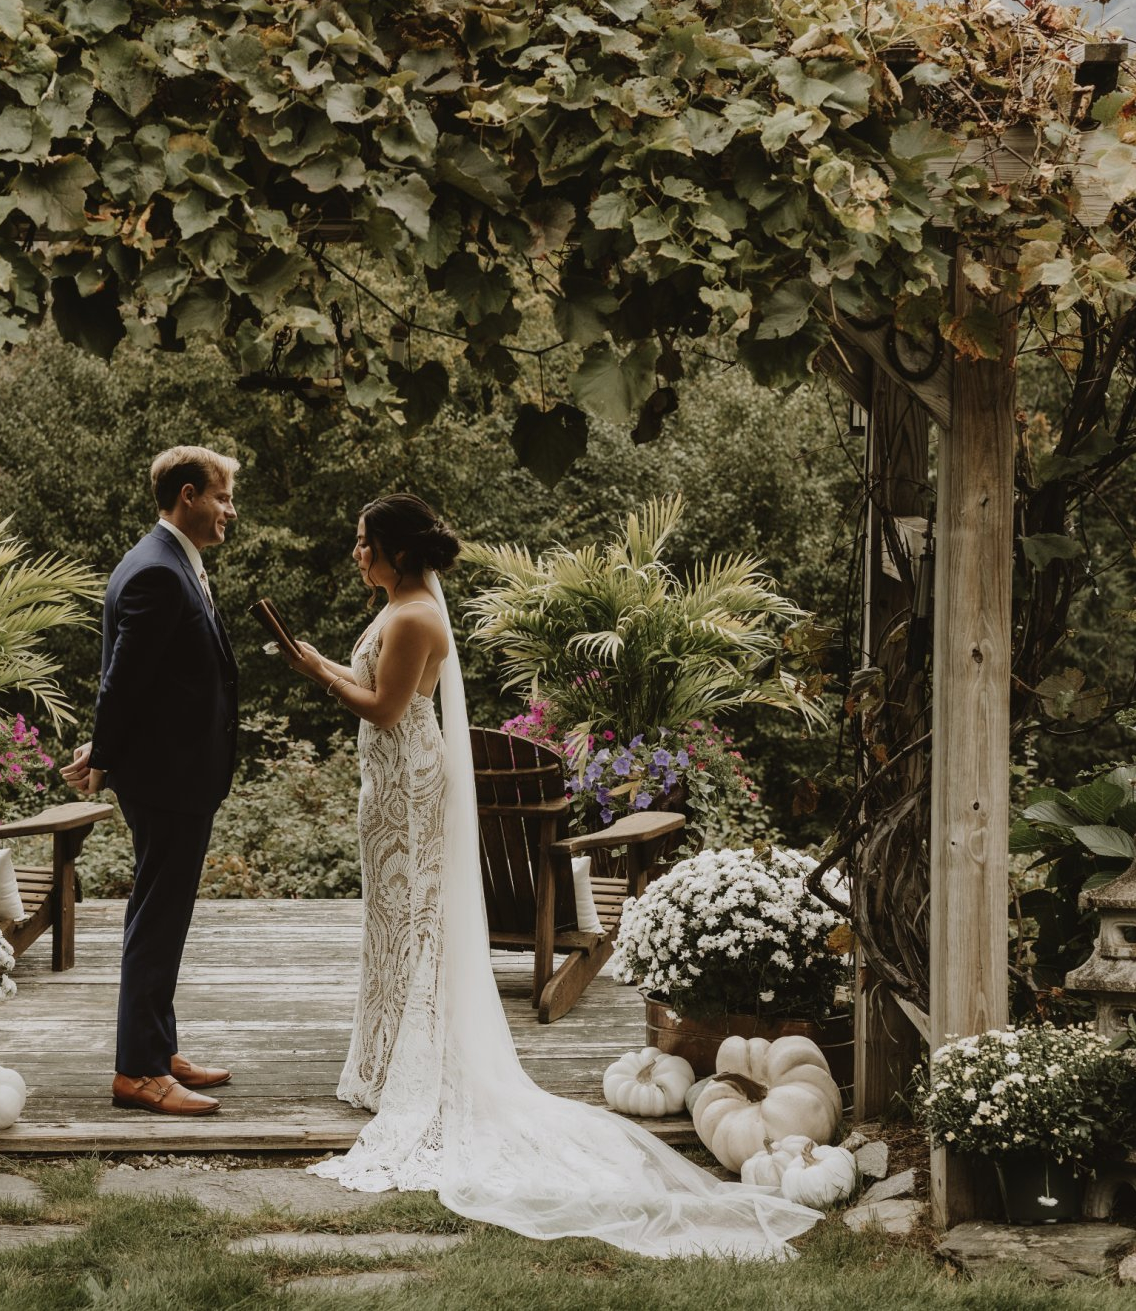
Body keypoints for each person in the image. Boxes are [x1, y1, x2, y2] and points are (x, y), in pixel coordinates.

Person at [283, 494, 820, 1259]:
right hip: (389, 794)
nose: (355, 552)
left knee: (416, 927)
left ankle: (420, 1070)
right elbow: (380, 696)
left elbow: (384, 707)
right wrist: (322, 661)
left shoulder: (413, 618)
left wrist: (315, 671)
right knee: (391, 928)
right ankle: (383, 1064)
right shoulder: (399, 607)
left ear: (397, 553)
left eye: (364, 542)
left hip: (408, 794)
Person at [62, 446, 241, 1117]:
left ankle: (157, 1047)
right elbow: (122, 682)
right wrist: (105, 756)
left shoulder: (169, 564)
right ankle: (137, 1071)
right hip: (168, 776)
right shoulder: (156, 574)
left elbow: (150, 680)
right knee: (157, 920)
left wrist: (106, 748)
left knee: (164, 916)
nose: (231, 510)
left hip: (177, 770)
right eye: (222, 497)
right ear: (189, 495)